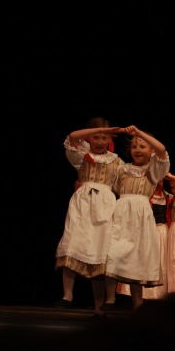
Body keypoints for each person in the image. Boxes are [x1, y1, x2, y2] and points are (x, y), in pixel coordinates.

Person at [55, 117, 124, 318]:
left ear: (110, 139)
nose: (100, 141)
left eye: (104, 137)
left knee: (101, 251)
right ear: (89, 137)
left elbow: (122, 185)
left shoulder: (116, 161)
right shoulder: (82, 155)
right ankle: (67, 295)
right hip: (83, 204)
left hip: (106, 206)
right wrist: (101, 129)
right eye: (96, 137)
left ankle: (104, 303)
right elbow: (72, 137)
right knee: (72, 242)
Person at [104, 126, 170, 314]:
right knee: (112, 252)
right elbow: (112, 187)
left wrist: (139, 134)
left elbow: (162, 150)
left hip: (140, 219)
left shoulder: (154, 170)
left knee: (136, 261)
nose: (137, 150)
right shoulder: (122, 168)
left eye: (142, 146)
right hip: (121, 214)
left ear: (151, 151)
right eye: (134, 146)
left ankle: (138, 308)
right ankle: (110, 297)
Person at [116, 179, 175, 301]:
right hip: (147, 231)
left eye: (160, 181)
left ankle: (164, 297)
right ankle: (143, 297)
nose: (158, 184)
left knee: (164, 263)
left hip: (164, 232)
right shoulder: (144, 197)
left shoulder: (168, 197)